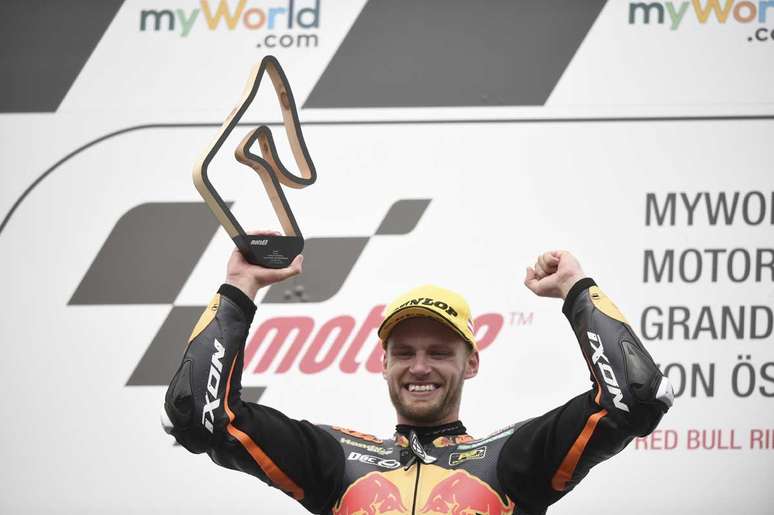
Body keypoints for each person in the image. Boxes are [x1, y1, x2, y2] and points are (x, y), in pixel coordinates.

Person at [162, 231, 673, 515]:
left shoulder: (511, 459)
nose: (420, 366)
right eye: (404, 352)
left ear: (471, 363)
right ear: (383, 363)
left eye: (439, 352)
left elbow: (635, 397)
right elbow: (200, 416)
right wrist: (239, 288)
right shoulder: (335, 459)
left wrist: (577, 290)